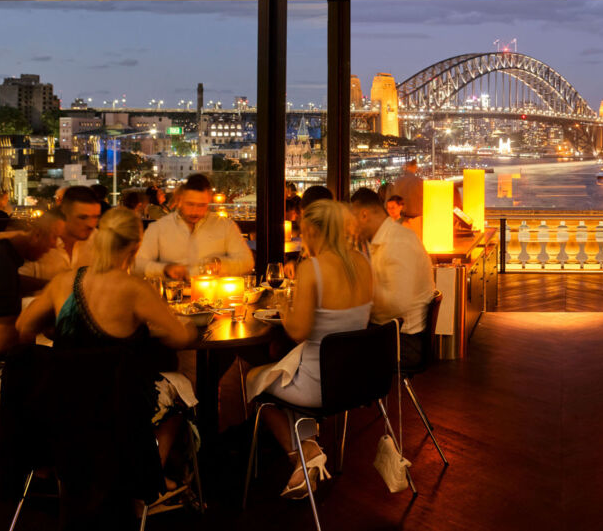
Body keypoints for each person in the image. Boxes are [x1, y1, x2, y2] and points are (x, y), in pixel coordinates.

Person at [16, 207, 199, 504]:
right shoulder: (134, 289)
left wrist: (61, 331)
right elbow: (179, 337)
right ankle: (146, 484)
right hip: (119, 411)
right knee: (181, 391)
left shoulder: (65, 281)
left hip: (63, 407)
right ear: (136, 245)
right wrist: (184, 325)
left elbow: (24, 326)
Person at [245, 201, 373, 499]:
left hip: (318, 385)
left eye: (304, 233)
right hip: (355, 380)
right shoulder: (363, 263)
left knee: (255, 379)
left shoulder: (312, 268)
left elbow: (298, 331)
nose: (304, 241)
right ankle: (310, 449)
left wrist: (284, 307)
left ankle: (301, 458)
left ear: (314, 230)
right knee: (284, 371)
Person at [349, 188, 435, 367]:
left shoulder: (398, 242)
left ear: (364, 215)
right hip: (396, 333)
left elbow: (397, 305)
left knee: (336, 349)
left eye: (352, 220)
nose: (351, 228)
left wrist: (359, 290)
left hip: (405, 342)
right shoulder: (387, 239)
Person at [134, 174, 253, 279]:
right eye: (190, 204)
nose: (195, 211)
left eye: (201, 205)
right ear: (180, 199)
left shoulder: (225, 226)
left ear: (208, 201)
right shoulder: (159, 228)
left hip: (215, 298)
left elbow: (247, 262)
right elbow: (138, 265)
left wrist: (220, 264)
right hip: (171, 299)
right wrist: (165, 269)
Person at [0, 220, 56, 354]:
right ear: (36, 235)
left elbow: (13, 282)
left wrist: (50, 284)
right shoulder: (3, 261)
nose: (54, 245)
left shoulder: (7, 257)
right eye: (53, 237)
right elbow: (4, 334)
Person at [390, 160, 424, 237]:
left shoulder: (398, 181)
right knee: (416, 240)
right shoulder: (419, 181)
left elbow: (394, 198)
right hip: (416, 217)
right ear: (414, 167)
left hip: (401, 217)